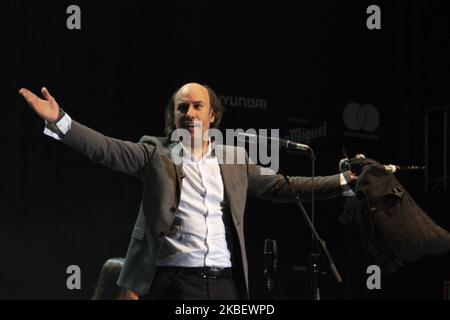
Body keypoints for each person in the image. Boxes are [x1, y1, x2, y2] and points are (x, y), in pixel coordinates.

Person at [19, 83, 356, 300]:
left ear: (213, 115)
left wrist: (343, 182)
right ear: (174, 116)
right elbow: (105, 149)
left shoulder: (234, 160)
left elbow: (285, 188)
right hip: (173, 283)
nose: (189, 113)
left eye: (197, 106)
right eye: (182, 108)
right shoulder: (154, 152)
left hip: (225, 284)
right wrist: (61, 122)